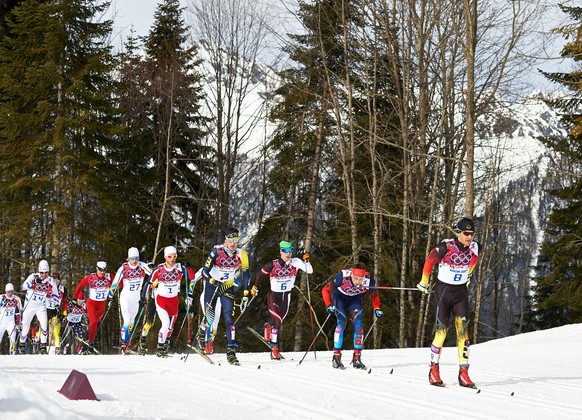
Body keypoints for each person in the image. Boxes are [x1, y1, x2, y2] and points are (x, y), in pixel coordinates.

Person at [416, 217, 482, 388]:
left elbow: (474, 261)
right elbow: (430, 262)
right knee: (441, 332)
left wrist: (468, 275)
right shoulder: (445, 247)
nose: (469, 237)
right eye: (466, 233)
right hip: (443, 291)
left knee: (463, 333)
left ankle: (464, 373)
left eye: (472, 233)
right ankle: (434, 370)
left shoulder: (475, 248)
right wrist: (424, 282)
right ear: (458, 233)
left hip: (460, 293)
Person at [196, 227, 250, 365]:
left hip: (227, 288)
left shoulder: (242, 254)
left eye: (236, 240)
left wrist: (245, 294)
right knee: (210, 317)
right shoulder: (217, 251)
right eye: (230, 240)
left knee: (229, 320)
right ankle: (202, 331)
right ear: (225, 240)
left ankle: (231, 352)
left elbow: (246, 275)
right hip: (212, 287)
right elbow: (205, 272)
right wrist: (214, 281)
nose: (233, 243)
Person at [252, 240, 313, 360]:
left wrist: (307, 261)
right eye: (285, 251)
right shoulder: (272, 265)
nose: (288, 254)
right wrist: (255, 286)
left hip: (286, 297)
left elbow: (310, 270)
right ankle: (274, 349)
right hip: (274, 296)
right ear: (280, 251)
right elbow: (261, 274)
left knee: (278, 321)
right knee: (278, 321)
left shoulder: (295, 262)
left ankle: (268, 326)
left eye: (290, 251)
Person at [322, 263, 382, 369]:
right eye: (355, 278)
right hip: (339, 297)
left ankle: (357, 358)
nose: (358, 281)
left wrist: (376, 308)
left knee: (359, 325)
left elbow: (375, 295)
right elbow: (325, 290)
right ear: (351, 275)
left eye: (360, 279)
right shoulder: (342, 277)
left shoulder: (369, 280)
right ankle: (336, 357)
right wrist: (328, 305)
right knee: (342, 322)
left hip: (355, 298)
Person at [142, 246, 194, 357]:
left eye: (174, 256)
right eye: (170, 256)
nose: (172, 259)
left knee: (170, 327)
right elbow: (148, 284)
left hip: (174, 301)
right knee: (165, 324)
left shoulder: (180, 267)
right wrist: (142, 298)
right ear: (165, 257)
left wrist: (189, 268)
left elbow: (192, 277)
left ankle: (165, 345)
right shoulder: (159, 270)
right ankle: (160, 348)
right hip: (161, 300)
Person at [109, 247, 153, 354]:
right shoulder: (124, 268)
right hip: (126, 298)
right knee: (127, 320)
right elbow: (115, 283)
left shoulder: (142, 266)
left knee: (132, 321)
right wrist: (109, 297)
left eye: (136, 258)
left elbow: (153, 274)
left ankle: (127, 342)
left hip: (136, 300)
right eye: (132, 258)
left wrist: (152, 267)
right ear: (128, 259)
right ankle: (123, 343)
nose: (135, 261)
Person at [19, 260, 58, 354]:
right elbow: (23, 286)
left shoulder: (51, 281)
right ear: (39, 271)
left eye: (46, 272)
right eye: (42, 272)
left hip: (41, 306)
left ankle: (43, 347)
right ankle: (22, 344)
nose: (44, 275)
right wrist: (34, 282)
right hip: (30, 306)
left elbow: (56, 295)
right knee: (25, 326)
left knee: (44, 325)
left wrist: (56, 305)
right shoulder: (33, 276)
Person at [73, 261, 113, 353]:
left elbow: (119, 282)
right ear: (96, 269)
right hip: (91, 303)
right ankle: (91, 342)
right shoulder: (90, 277)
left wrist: (112, 295)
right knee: (94, 321)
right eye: (100, 270)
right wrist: (75, 298)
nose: (102, 272)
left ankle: (89, 332)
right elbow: (80, 286)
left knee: (94, 323)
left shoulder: (109, 277)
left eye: (104, 270)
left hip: (102, 304)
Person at [187, 267, 221, 355]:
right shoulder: (206, 268)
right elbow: (194, 279)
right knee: (210, 318)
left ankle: (209, 341)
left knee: (215, 321)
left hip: (219, 298)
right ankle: (205, 344)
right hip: (207, 296)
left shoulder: (225, 267)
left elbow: (234, 281)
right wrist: (189, 295)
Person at [46, 273, 68, 354]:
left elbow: (65, 302)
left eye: (57, 280)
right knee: (42, 329)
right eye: (54, 280)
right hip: (45, 310)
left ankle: (57, 348)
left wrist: (64, 314)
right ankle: (39, 346)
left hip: (56, 312)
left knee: (56, 331)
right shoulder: (47, 286)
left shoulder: (63, 289)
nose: (55, 282)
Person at [0, 283, 23, 354]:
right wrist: (3, 303)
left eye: (11, 291)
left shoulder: (16, 299)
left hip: (11, 322)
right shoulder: (1, 297)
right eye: (8, 291)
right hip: (2, 322)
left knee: (13, 338)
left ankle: (12, 354)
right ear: (5, 291)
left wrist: (20, 321)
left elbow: (21, 310)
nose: (10, 293)